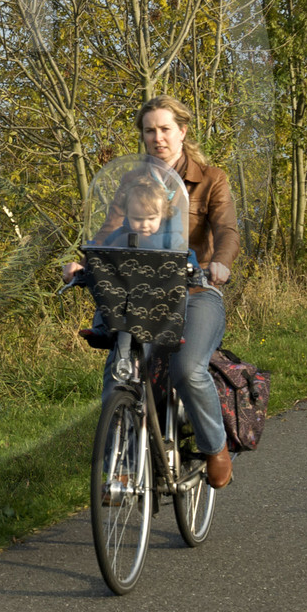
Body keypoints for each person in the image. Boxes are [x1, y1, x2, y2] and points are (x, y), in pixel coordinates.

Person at [65, 94, 241, 488]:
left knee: (187, 369)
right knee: (120, 374)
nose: (157, 137)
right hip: (141, 292)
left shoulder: (212, 179)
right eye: (149, 130)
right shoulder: (132, 180)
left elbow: (227, 230)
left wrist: (220, 263)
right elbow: (109, 231)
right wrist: (85, 262)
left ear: (182, 131)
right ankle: (123, 470)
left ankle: (215, 447)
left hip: (195, 291)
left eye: (165, 129)